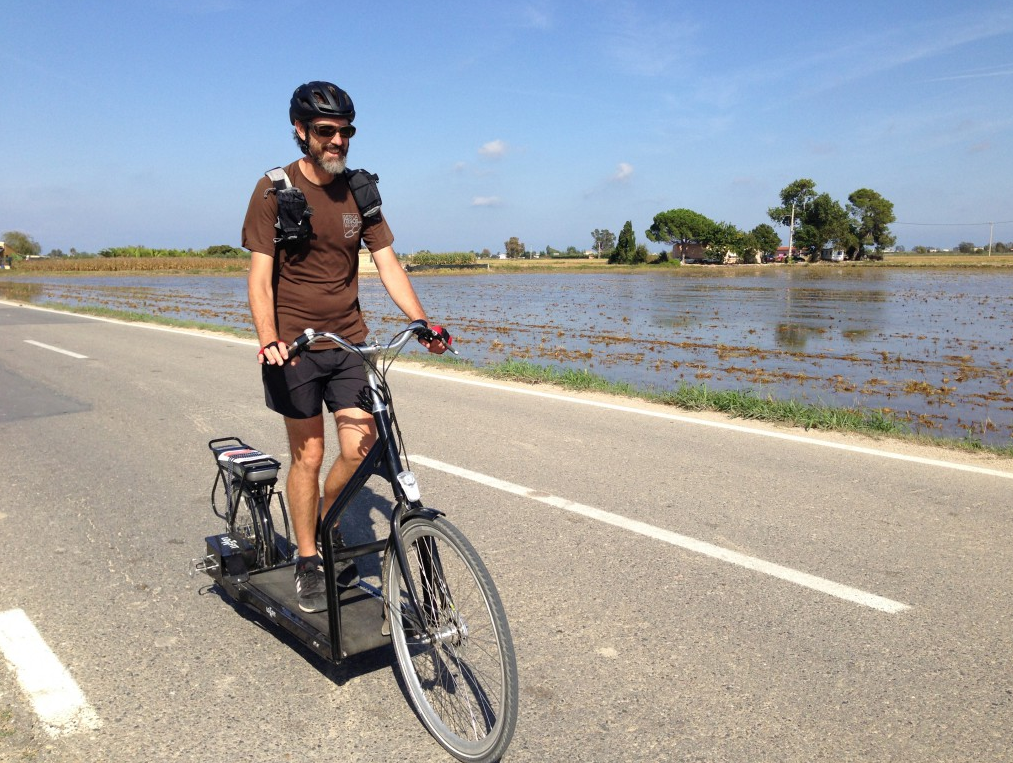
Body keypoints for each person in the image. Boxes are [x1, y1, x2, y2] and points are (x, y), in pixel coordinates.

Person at [242, 81, 448, 613]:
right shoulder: (273, 190)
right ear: (300, 130)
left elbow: (387, 262)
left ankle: (324, 518)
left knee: (360, 448)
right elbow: (260, 278)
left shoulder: (360, 191)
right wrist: (269, 339)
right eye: (326, 130)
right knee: (308, 454)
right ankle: (309, 557)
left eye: (345, 131)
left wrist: (421, 320)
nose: (337, 140)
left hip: (348, 342)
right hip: (295, 346)